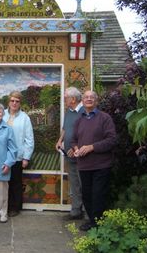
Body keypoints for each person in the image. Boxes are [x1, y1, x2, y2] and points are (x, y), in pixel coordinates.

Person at [71, 90, 117, 231]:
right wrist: (76, 148)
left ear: (96, 101)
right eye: (86, 97)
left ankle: (98, 224)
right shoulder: (79, 120)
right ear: (82, 101)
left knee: (98, 195)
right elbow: (73, 140)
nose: (89, 99)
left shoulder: (105, 118)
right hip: (84, 166)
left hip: (101, 165)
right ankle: (92, 221)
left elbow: (112, 140)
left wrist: (92, 147)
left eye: (92, 97)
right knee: (87, 196)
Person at [2, 91, 34, 217]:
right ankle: (2, 206)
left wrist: (26, 157)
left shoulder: (25, 117)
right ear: (8, 102)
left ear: (20, 103)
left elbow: (29, 139)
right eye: (12, 100)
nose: (14, 103)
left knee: (15, 183)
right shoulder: (2, 114)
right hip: (2, 155)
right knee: (3, 183)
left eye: (17, 101)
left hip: (17, 156)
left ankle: (14, 208)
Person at [56, 87, 84, 220]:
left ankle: (86, 212)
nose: (64, 99)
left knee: (83, 182)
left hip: (80, 156)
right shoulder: (69, 111)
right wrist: (60, 140)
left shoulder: (84, 111)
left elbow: (87, 134)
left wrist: (75, 148)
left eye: (66, 97)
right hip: (68, 154)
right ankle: (76, 210)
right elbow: (65, 128)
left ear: (73, 99)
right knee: (74, 183)